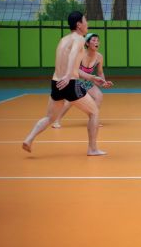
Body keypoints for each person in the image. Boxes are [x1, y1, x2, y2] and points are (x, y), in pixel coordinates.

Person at [22, 11, 106, 156]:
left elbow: (73, 68)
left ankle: (29, 139)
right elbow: (73, 56)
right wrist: (68, 75)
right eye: (86, 21)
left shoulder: (63, 40)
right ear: (79, 25)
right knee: (94, 112)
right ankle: (92, 149)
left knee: (50, 117)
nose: (88, 24)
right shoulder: (79, 39)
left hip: (56, 83)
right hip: (69, 83)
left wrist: (92, 78)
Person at [52, 32, 113, 129]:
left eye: (97, 40)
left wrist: (104, 82)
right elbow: (74, 69)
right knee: (71, 101)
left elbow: (100, 72)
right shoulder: (81, 53)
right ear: (87, 43)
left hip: (86, 82)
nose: (96, 42)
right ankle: (56, 120)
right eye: (93, 40)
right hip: (75, 80)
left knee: (99, 96)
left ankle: (93, 120)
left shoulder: (99, 57)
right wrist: (91, 77)